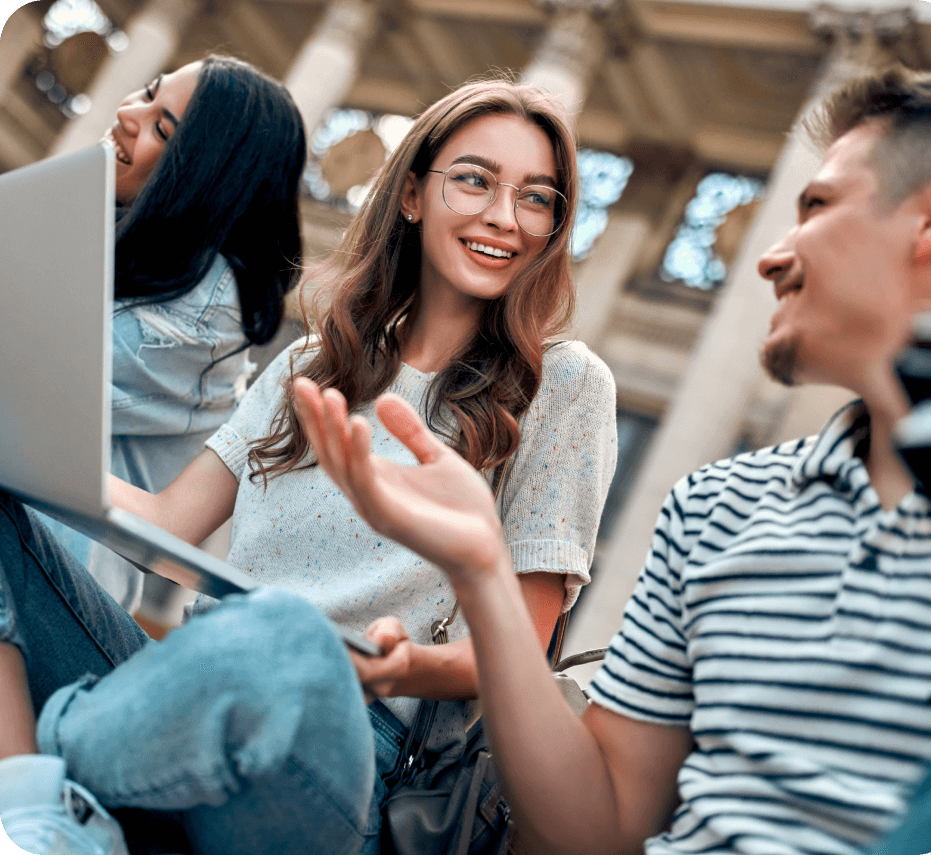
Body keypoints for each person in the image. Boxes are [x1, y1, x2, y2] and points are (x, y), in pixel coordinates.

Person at [290, 64, 931, 855]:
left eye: (815, 207)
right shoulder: (717, 505)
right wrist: (481, 573)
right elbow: (594, 830)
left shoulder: (571, 385)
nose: (768, 258)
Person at [0, 77, 617, 855]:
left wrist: (397, 668)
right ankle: (35, 800)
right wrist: (23, 452)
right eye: (475, 180)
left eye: (538, 198)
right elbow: (163, 523)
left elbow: (516, 657)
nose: (504, 217)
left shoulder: (564, 385)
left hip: (349, 750)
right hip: (190, 682)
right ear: (413, 196)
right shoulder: (312, 361)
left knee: (289, 630)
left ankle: (49, 766)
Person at [34, 53, 307, 614]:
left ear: (210, 172)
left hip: (52, 573)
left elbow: (30, 374)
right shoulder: (133, 247)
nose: (127, 113)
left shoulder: (204, 302)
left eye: (162, 127)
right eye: (145, 92)